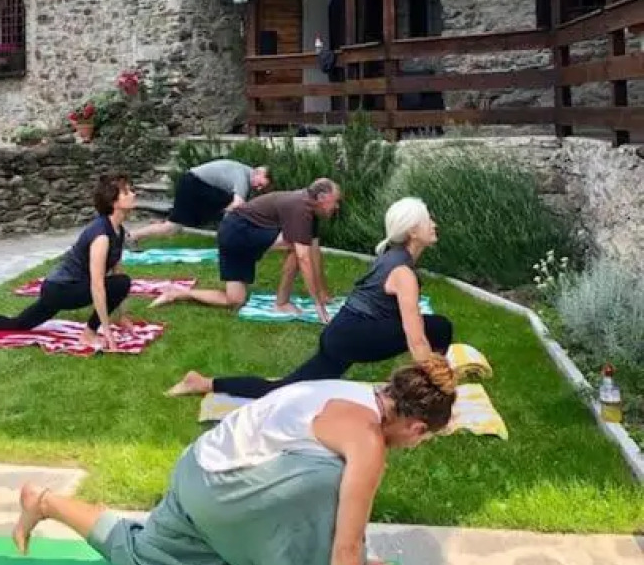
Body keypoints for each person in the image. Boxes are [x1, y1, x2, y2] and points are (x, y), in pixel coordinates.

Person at [12, 355, 457, 565]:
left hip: (197, 468)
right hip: (222, 492)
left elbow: (347, 533)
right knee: (328, 478)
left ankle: (44, 502)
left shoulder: (353, 391)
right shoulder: (368, 440)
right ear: (418, 427)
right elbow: (346, 541)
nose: (416, 445)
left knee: (144, 559)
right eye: (424, 440)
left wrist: (357, 564)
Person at [168, 196, 454, 399]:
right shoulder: (402, 271)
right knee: (438, 327)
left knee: (285, 388)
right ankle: (427, 392)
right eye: (428, 220)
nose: (434, 224)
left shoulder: (393, 257)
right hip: (354, 338)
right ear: (413, 231)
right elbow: (416, 340)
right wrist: (437, 383)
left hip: (343, 333)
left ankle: (204, 383)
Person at [0, 175, 137, 352]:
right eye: (127, 192)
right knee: (121, 282)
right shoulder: (101, 236)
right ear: (114, 202)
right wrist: (105, 331)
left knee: (17, 324)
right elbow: (98, 285)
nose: (133, 194)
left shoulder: (118, 230)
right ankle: (88, 334)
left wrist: (123, 315)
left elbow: (116, 269)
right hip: (61, 289)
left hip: (62, 288)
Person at [150, 178, 341, 322]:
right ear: (321, 198)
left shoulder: (310, 209)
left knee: (235, 300)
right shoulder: (301, 209)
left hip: (233, 231)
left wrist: (323, 293)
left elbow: (314, 251)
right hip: (238, 232)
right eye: (335, 201)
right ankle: (282, 303)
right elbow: (305, 258)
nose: (337, 206)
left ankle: (177, 293)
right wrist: (317, 304)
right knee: (297, 248)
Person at [131, 159, 270, 241]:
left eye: (261, 188)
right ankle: (132, 236)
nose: (258, 189)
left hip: (194, 184)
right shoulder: (242, 177)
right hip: (193, 185)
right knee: (172, 227)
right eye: (260, 184)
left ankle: (134, 235)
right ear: (258, 172)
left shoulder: (243, 172)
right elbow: (237, 206)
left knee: (173, 228)